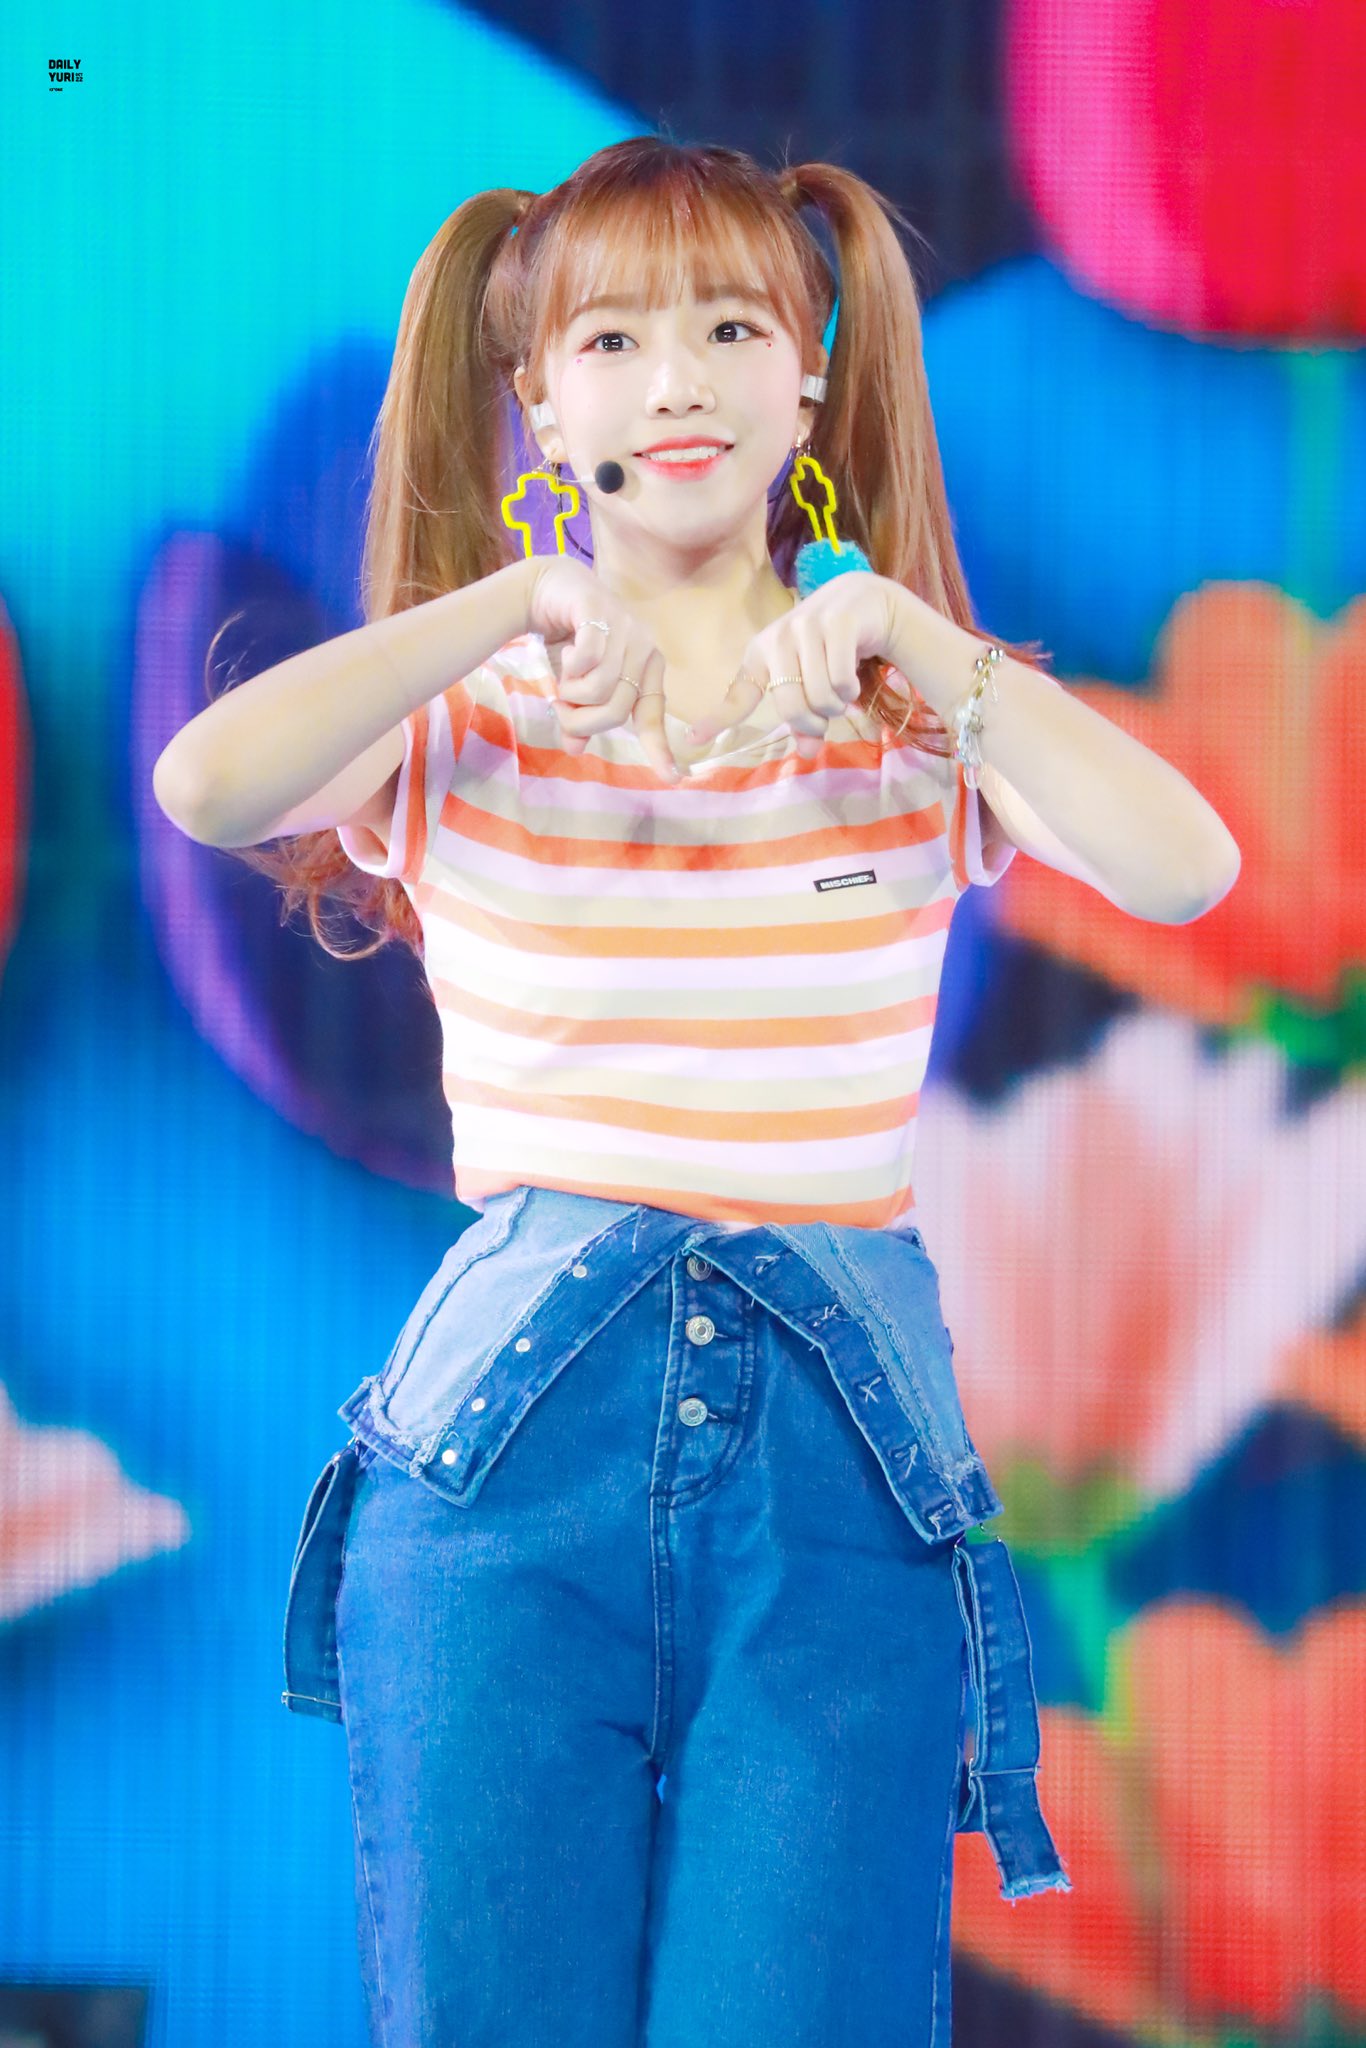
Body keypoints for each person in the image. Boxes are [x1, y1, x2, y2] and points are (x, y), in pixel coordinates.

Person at [154, 138, 1240, 2048]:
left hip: (840, 1483)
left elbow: (1185, 869)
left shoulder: (919, 721)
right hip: (498, 1472)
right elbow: (206, 785)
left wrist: (915, 637)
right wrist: (502, 606)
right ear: (541, 401)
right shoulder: (467, 717)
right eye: (613, 341)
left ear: (807, 377)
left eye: (731, 327)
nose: (677, 383)